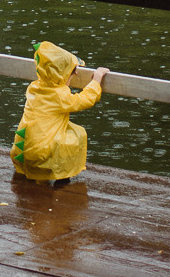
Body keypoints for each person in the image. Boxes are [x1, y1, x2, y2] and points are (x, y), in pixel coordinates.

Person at [10, 42, 109, 184]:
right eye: (72, 72)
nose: (75, 74)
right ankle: (63, 176)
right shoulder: (59, 95)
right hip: (41, 153)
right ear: (61, 74)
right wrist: (96, 79)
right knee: (77, 135)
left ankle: (29, 172)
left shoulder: (35, 87)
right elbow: (85, 99)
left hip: (20, 151)